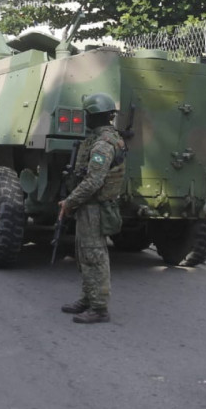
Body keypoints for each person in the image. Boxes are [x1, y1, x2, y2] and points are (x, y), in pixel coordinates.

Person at [58, 93, 126, 325]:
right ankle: (88, 298)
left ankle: (99, 308)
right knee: (84, 254)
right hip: (89, 207)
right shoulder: (98, 138)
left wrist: (70, 202)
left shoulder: (103, 144)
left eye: (87, 115)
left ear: (94, 117)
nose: (85, 119)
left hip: (96, 208)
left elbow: (94, 181)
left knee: (95, 256)